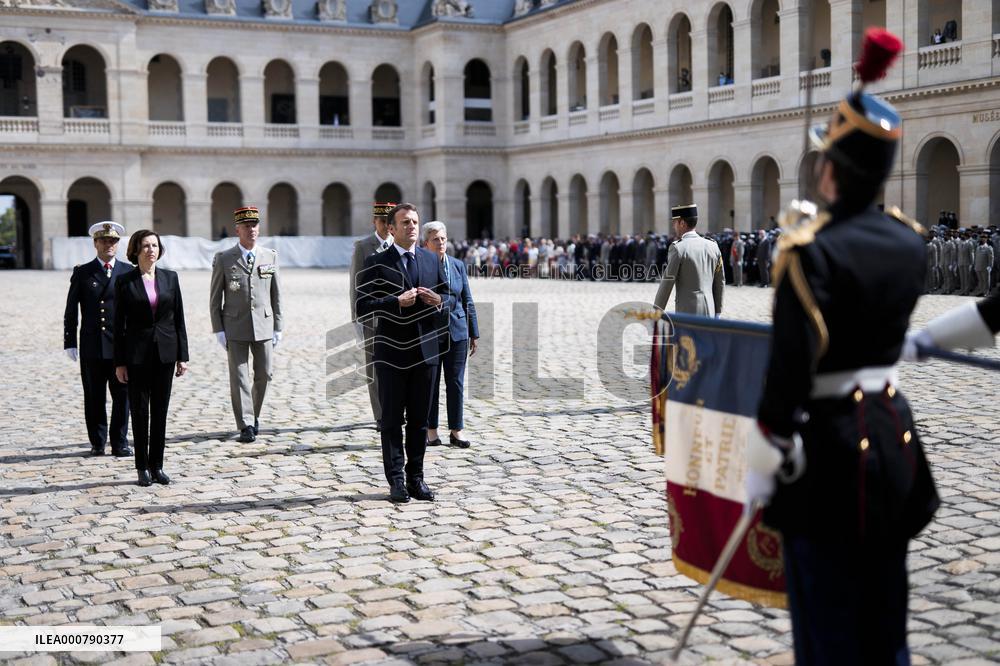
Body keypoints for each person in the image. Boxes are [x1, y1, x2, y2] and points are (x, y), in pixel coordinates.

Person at [745, 37, 940, 664]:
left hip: (826, 453)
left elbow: (788, 373)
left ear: (832, 169)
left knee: (827, 630)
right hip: (891, 435)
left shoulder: (809, 251)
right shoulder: (911, 242)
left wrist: (762, 457)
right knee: (888, 625)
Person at [356, 203, 448, 503]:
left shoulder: (431, 260)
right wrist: (395, 301)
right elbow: (362, 307)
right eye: (405, 222)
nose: (411, 227)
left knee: (420, 420)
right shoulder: (375, 262)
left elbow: (449, 300)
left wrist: (439, 301)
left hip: (426, 353)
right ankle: (395, 480)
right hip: (391, 353)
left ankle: (416, 478)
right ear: (391, 228)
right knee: (392, 421)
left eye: (415, 222)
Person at [113, 230, 189, 487]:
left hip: (165, 354)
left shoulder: (170, 278)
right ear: (135, 250)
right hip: (136, 355)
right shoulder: (125, 281)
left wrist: (183, 356)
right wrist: (119, 362)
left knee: (160, 412)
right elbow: (118, 324)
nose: (150, 250)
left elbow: (179, 319)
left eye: (154, 245)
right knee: (140, 412)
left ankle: (158, 465)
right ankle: (142, 467)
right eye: (145, 246)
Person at [209, 206, 283, 444]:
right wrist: (218, 329)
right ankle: (246, 424)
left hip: (264, 324)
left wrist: (278, 326)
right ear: (237, 229)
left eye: (255, 225)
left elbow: (276, 294)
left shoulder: (270, 256)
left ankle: (254, 414)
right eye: (247, 226)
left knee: (265, 374)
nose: (252, 230)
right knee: (239, 376)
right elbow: (214, 297)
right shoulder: (224, 258)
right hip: (235, 326)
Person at [64, 221, 134, 457]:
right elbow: (71, 309)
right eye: (104, 240)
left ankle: (120, 441)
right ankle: (97, 441)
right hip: (92, 345)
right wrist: (70, 341)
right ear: (95, 243)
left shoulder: (127, 271)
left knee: (122, 396)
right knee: (94, 397)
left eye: (113, 241)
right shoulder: (83, 272)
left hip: (120, 346)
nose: (109, 245)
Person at [422, 222, 479, 450]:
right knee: (431, 384)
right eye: (436, 239)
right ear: (426, 243)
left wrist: (473, 332)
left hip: (457, 332)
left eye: (444, 239)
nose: (441, 243)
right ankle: (431, 431)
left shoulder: (457, 265)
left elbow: (467, 299)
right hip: (431, 333)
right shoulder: (421, 266)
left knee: (455, 383)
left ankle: (457, 430)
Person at [349, 202, 395, 432]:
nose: (386, 226)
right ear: (374, 222)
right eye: (382, 221)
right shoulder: (363, 247)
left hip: (399, 316)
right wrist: (356, 317)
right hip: (374, 316)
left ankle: (396, 409)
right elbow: (356, 284)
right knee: (375, 367)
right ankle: (380, 414)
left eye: (389, 222)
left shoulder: (399, 244)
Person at [652, 204, 724, 316]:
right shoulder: (713, 246)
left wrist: (657, 310)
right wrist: (718, 311)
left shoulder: (678, 248)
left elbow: (666, 283)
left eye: (674, 223)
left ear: (682, 223)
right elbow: (720, 282)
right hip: (710, 309)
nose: (673, 226)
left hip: (688, 311)